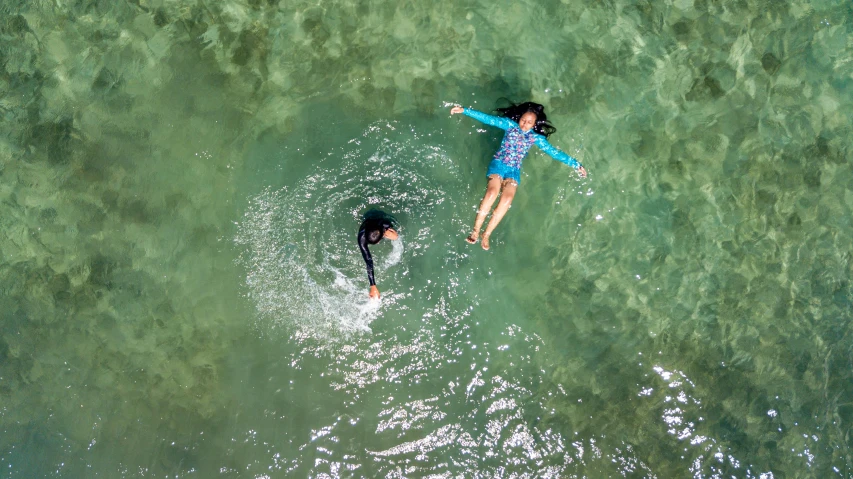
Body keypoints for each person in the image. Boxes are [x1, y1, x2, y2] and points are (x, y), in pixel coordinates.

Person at [450, 102, 587, 250]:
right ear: (520, 117)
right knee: (492, 193)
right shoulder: (510, 125)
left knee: (507, 200)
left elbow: (554, 153)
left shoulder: (536, 138)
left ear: (534, 124)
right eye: (523, 120)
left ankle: (487, 234)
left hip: (513, 171)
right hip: (499, 164)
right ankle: (476, 230)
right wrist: (465, 110)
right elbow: (488, 119)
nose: (524, 124)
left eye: (529, 122)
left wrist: (575, 164)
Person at [357, 210, 399, 299]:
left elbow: (393, 229)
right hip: (367, 217)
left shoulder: (385, 224)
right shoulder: (361, 238)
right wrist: (373, 286)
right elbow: (368, 261)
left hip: (380, 218)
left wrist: (395, 234)